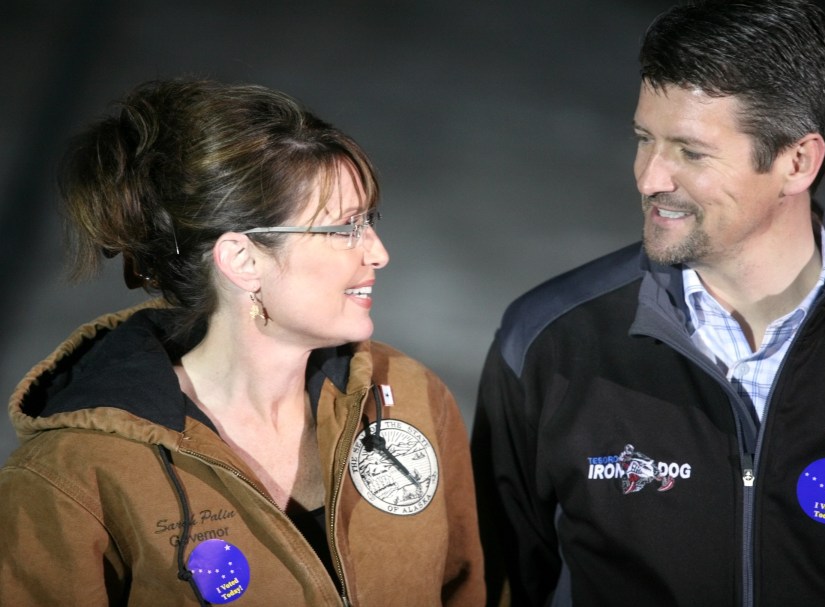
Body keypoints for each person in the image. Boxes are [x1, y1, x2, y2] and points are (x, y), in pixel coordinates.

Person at [472, 1, 825, 605]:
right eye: (645, 140)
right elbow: (500, 586)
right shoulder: (549, 340)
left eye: (690, 152)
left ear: (797, 162)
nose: (650, 177)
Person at [0, 78, 484, 606]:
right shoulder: (73, 475)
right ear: (243, 260)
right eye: (344, 229)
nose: (377, 252)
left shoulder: (409, 396)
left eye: (369, 221)